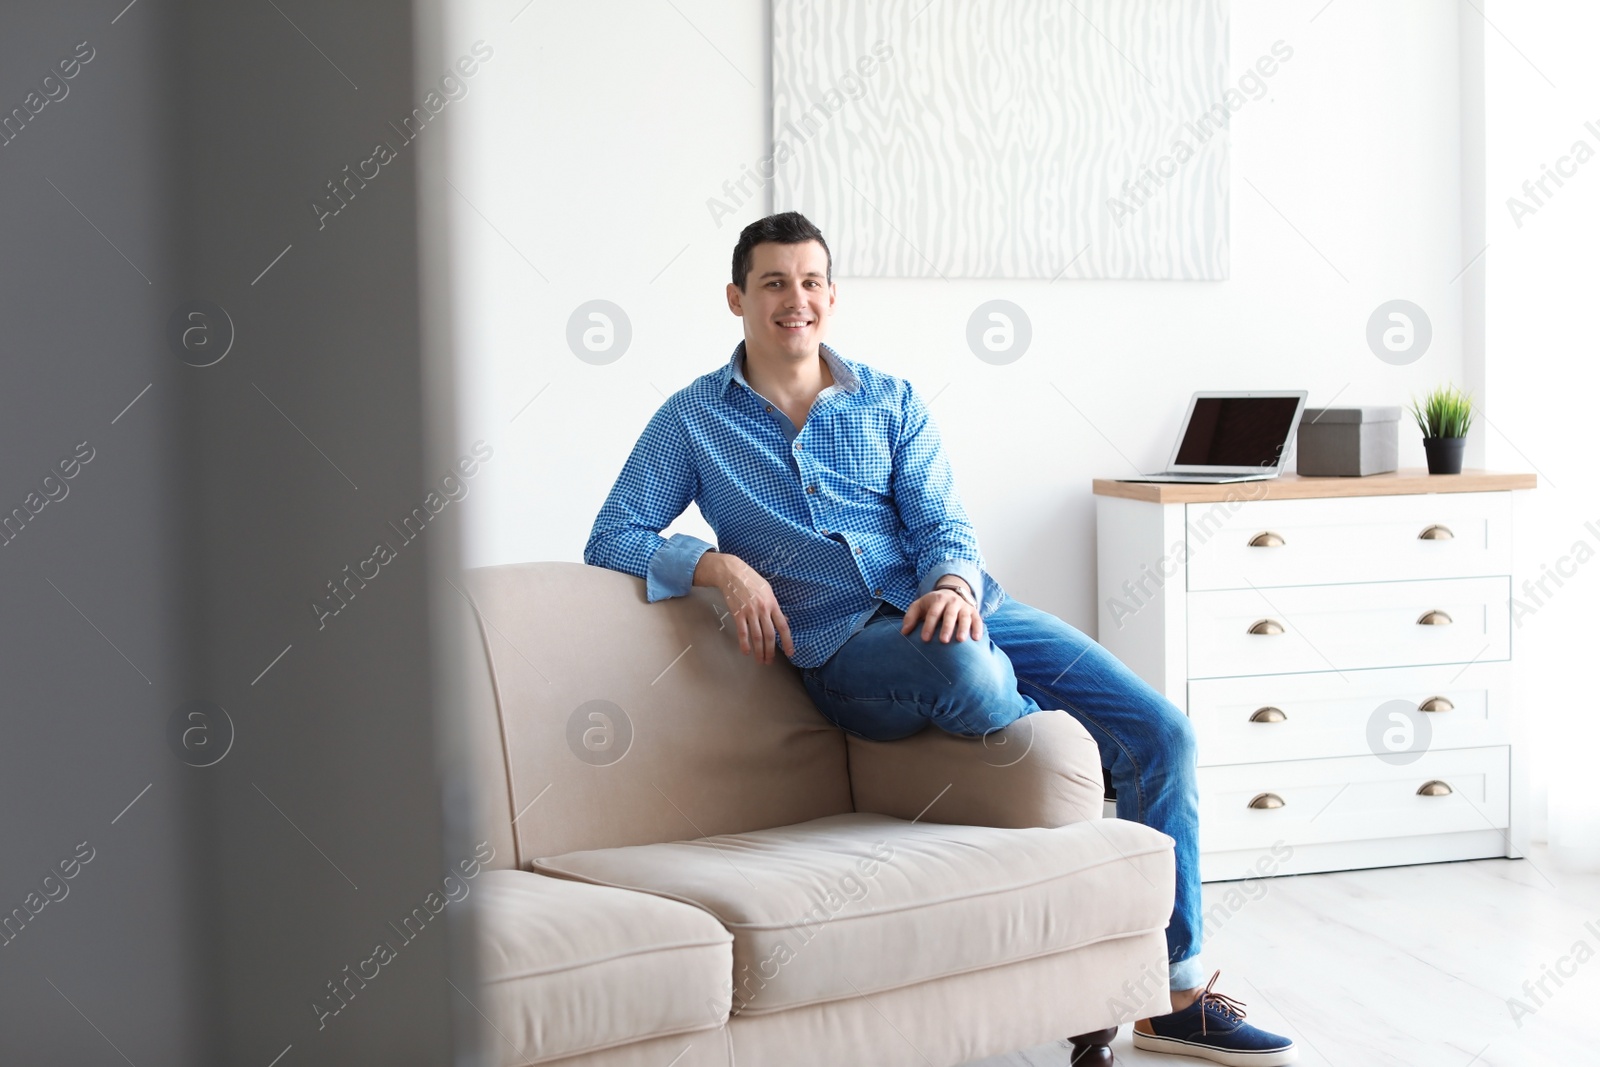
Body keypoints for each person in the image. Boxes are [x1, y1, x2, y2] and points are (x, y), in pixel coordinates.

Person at [583, 211, 1296, 1065]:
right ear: (737, 297)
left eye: (810, 281)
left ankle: (1173, 996)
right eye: (773, 282)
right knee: (969, 673)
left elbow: (943, 520)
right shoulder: (693, 420)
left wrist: (954, 582)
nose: (794, 300)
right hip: (847, 648)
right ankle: (1065, 743)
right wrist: (721, 569)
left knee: (1163, 731)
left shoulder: (889, 398)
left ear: (832, 297)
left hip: (967, 604)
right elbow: (614, 532)